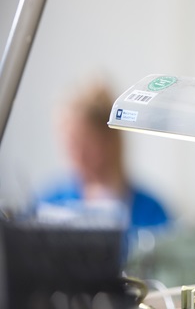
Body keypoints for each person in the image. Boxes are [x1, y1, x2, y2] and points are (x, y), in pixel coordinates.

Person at [35, 80, 169, 234]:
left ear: (110, 141)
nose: (79, 156)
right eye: (72, 145)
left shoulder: (151, 213)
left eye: (88, 144)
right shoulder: (48, 204)